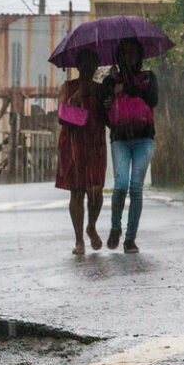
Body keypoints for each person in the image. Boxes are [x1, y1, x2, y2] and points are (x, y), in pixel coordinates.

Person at [101, 38, 158, 254]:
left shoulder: (148, 78)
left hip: (144, 139)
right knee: (121, 185)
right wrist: (109, 94)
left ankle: (130, 238)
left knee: (136, 188)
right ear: (119, 56)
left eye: (133, 53)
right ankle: (116, 227)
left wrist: (128, 86)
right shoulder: (110, 81)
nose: (129, 57)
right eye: (124, 53)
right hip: (120, 139)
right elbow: (104, 108)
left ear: (140, 56)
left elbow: (152, 99)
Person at [55, 49, 107, 255]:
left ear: (95, 67)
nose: (87, 68)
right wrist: (76, 97)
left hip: (95, 143)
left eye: (91, 64)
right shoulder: (67, 87)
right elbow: (62, 115)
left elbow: (109, 116)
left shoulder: (101, 89)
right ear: (78, 66)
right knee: (77, 191)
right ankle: (79, 241)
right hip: (73, 143)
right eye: (83, 64)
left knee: (96, 190)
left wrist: (111, 97)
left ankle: (91, 225)